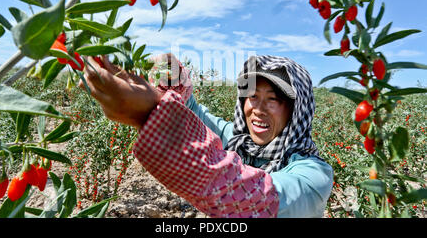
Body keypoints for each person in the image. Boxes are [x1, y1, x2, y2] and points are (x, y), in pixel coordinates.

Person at [80, 53, 334, 218]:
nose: (258, 108)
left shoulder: (314, 176)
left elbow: (252, 198)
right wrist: (169, 80)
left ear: (295, 111)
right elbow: (196, 113)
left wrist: (146, 113)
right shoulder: (239, 142)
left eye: (273, 100)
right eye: (252, 96)